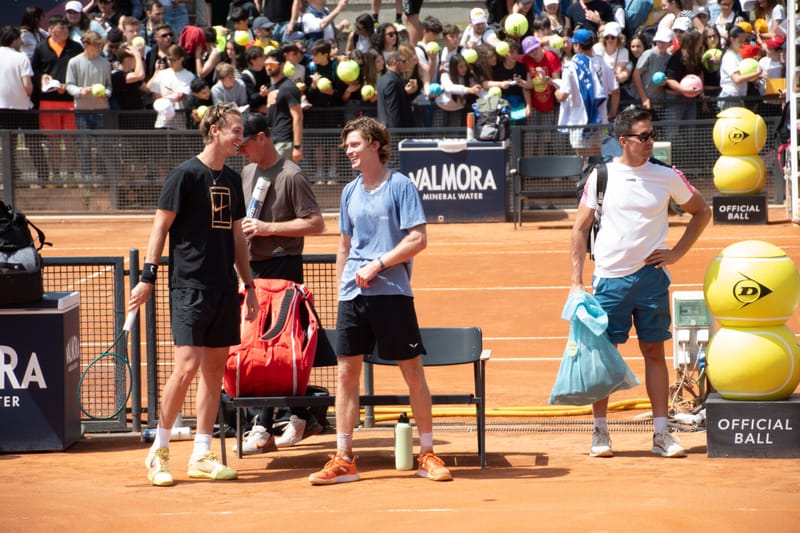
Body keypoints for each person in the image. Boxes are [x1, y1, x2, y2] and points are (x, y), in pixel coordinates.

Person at [308, 116, 452, 485]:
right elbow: (343, 245)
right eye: (347, 147)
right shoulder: (349, 192)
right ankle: (344, 458)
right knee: (345, 374)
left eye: (355, 145)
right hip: (353, 297)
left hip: (392, 294)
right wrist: (344, 284)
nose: (349, 152)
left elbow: (418, 239)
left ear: (374, 144)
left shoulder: (401, 186)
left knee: (412, 373)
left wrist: (378, 264)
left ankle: (427, 453)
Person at [129, 102, 259, 487]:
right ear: (215, 130)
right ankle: (159, 451)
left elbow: (237, 237)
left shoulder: (234, 181)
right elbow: (160, 227)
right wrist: (147, 276)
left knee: (214, 371)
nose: (241, 138)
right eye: (236, 131)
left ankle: (202, 454)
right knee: (186, 367)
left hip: (223, 288)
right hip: (188, 286)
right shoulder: (184, 175)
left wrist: (248, 285)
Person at [570, 106, 711, 460]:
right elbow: (580, 228)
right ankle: (600, 433)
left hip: (650, 280)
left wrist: (676, 253)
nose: (651, 142)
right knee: (603, 358)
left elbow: (702, 211)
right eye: (644, 137)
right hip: (609, 282)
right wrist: (576, 282)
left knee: (654, 353)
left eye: (652, 135)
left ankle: (662, 434)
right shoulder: (600, 175)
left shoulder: (666, 175)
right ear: (623, 141)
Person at [236, 112, 326, 449]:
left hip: (285, 268)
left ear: (262, 138)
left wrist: (268, 228)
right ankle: (272, 421)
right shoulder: (247, 172)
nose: (240, 151)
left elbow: (316, 224)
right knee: (256, 347)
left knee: (282, 347)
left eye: (244, 144)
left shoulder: (291, 175)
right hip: (254, 271)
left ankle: (290, 419)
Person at [555, 28, 617, 159]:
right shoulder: (603, 63)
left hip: (579, 120)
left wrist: (555, 91)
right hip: (599, 119)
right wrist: (612, 112)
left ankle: (587, 179)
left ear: (577, 45)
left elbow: (563, 95)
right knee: (597, 158)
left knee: (582, 160)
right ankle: (596, 179)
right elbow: (616, 91)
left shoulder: (570, 66)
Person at [264, 48, 304, 162]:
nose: (268, 67)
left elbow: (298, 116)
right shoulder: (272, 88)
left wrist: (297, 146)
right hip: (273, 140)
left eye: (271, 64)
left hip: (285, 142)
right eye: (266, 64)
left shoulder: (289, 87)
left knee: (281, 177)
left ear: (282, 65)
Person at [376, 50, 415, 128]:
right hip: (396, 131)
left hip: (388, 128)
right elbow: (393, 110)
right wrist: (397, 133)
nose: (406, 64)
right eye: (403, 61)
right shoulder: (392, 81)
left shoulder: (383, 79)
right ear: (394, 62)